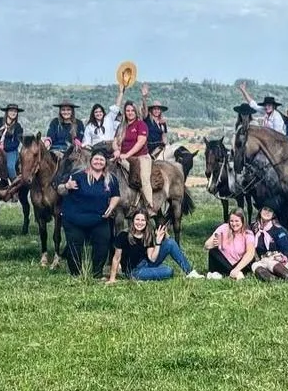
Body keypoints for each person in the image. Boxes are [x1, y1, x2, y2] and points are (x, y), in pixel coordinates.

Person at [57, 149, 121, 278]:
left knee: (103, 243)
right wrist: (66, 186)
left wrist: (112, 206)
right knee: (75, 245)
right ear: (91, 161)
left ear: (105, 163)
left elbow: (116, 195)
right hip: (75, 219)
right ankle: (76, 274)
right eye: (96, 159)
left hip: (99, 218)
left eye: (101, 160)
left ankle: (97, 273)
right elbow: (60, 190)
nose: (98, 162)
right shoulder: (78, 175)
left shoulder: (110, 179)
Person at [109, 209, 202, 282]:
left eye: (143, 220)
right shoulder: (123, 235)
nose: (140, 223)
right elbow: (116, 258)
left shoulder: (147, 234)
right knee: (168, 271)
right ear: (133, 221)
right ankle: (146, 275)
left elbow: (152, 258)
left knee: (170, 242)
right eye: (137, 219)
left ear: (146, 222)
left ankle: (190, 272)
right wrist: (112, 279)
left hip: (147, 263)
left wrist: (157, 242)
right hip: (135, 271)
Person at [114, 101, 154, 211]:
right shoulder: (121, 126)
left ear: (136, 112)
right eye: (127, 110)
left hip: (141, 156)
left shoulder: (141, 124)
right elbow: (115, 140)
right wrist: (116, 150)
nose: (130, 113)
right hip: (123, 156)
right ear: (124, 112)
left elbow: (140, 142)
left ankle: (149, 206)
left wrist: (127, 154)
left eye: (132, 110)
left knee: (144, 179)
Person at [204, 211, 257, 279]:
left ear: (243, 221)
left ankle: (232, 272)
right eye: (231, 221)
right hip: (224, 262)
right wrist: (215, 243)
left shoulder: (248, 233)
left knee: (251, 258)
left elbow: (250, 253)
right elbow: (206, 245)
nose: (234, 224)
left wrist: (237, 269)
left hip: (240, 264)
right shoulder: (224, 228)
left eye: (237, 221)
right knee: (213, 251)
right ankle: (232, 273)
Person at [251, 205, 288, 281]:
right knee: (254, 265)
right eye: (265, 209)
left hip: (280, 261)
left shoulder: (279, 230)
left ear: (273, 214)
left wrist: (277, 257)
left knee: (270, 262)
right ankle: (270, 279)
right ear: (260, 211)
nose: (267, 212)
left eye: (270, 211)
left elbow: (286, 251)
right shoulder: (253, 228)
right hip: (262, 262)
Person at [141, 85, 170, 156]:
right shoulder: (147, 118)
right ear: (151, 110)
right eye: (155, 109)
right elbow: (144, 109)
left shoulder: (162, 122)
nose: (156, 111)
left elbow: (164, 135)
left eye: (158, 109)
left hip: (160, 147)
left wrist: (166, 144)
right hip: (149, 147)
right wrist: (144, 98)